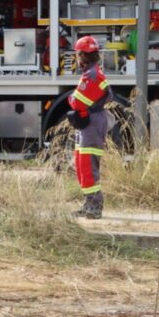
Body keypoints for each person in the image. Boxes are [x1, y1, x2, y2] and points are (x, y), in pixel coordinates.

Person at [67, 36, 112, 220]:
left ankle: (95, 206)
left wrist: (72, 99)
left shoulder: (91, 75)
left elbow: (76, 102)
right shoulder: (91, 73)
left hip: (92, 123)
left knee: (87, 165)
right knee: (81, 164)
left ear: (82, 56)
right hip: (89, 122)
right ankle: (89, 205)